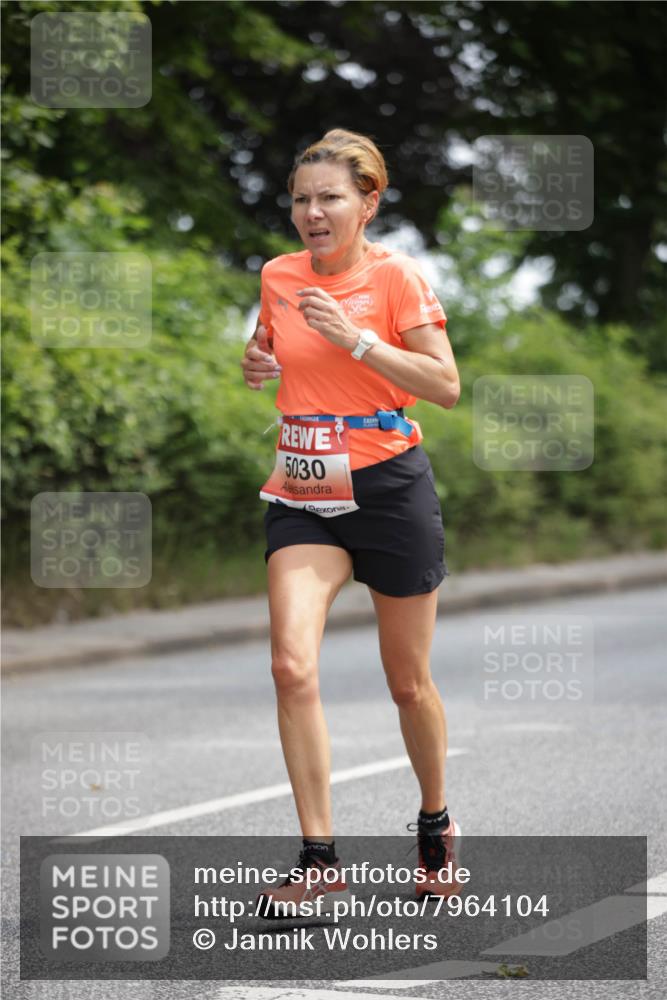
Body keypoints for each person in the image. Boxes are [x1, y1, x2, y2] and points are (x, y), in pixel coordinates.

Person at [240, 128, 462, 918]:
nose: (312, 212)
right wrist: (258, 363)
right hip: (304, 490)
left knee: (407, 682)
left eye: (329, 197)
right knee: (290, 668)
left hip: (389, 490)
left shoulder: (396, 278)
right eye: (301, 199)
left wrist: (359, 338)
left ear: (367, 203)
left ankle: (434, 825)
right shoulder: (277, 274)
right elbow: (267, 350)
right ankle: (318, 859)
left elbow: (444, 386)